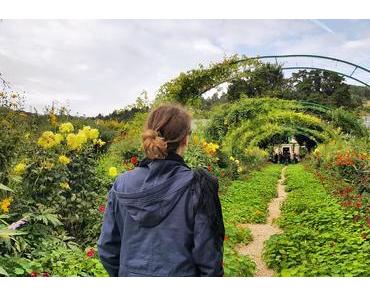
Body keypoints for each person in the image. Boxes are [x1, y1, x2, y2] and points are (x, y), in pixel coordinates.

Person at [98, 104, 224, 277]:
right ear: (185, 139)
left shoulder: (122, 183)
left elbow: (107, 249)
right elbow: (209, 260)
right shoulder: (198, 185)